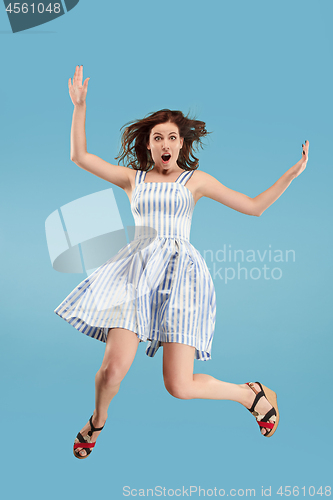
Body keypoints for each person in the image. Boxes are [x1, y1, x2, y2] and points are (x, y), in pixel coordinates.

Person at [54, 65, 309, 459]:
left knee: (179, 386)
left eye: (172, 137)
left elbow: (255, 207)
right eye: (158, 138)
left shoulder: (195, 181)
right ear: (150, 146)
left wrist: (291, 175)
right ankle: (97, 421)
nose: (165, 143)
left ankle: (250, 394)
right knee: (111, 371)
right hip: (134, 275)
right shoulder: (132, 179)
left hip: (181, 279)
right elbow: (79, 156)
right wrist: (80, 106)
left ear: (180, 144)